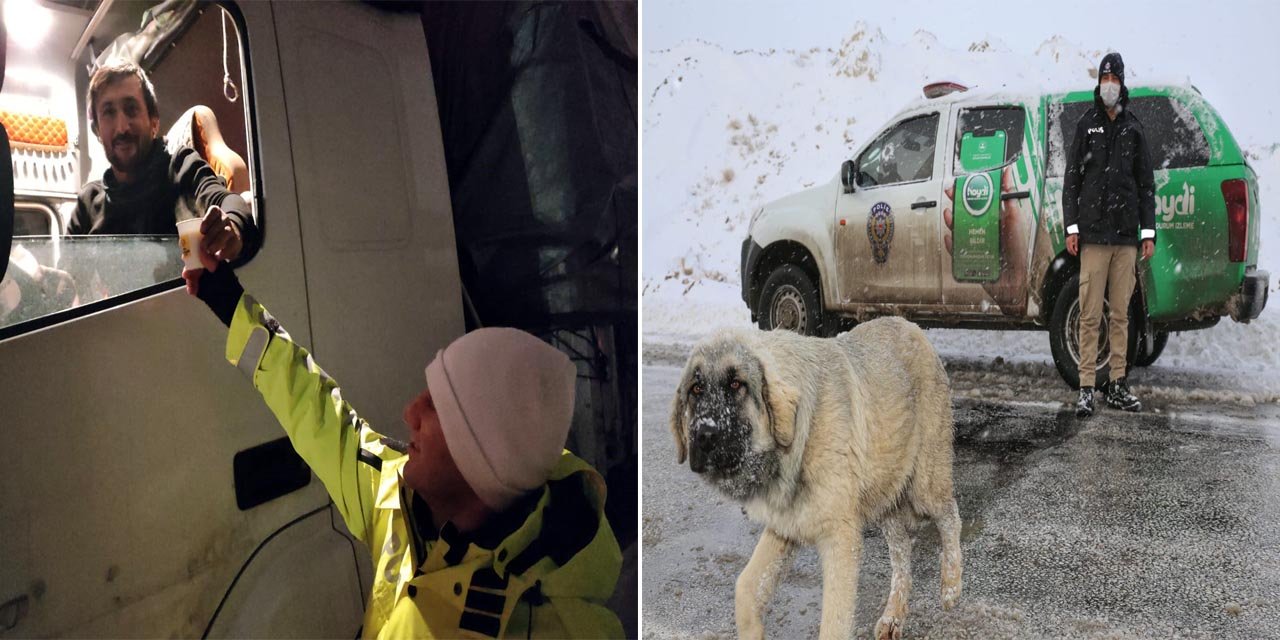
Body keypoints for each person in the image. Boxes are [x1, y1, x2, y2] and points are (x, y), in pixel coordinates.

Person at [181, 251, 623, 638]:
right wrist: (229, 301)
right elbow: (317, 414)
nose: (409, 412)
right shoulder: (398, 499)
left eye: (435, 407)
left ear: (479, 459)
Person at [69, 60, 257, 266]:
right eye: (109, 113)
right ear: (97, 130)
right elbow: (67, 278)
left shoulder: (181, 166)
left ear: (154, 122)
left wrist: (233, 225)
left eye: (131, 109)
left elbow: (226, 200)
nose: (122, 127)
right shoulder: (87, 204)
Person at [1063, 52, 1156, 417]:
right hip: (1093, 239)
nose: (1109, 86)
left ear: (1122, 83)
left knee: (1120, 315)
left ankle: (1117, 383)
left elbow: (1146, 184)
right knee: (1089, 314)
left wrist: (1146, 233)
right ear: (1099, 84)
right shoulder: (1087, 125)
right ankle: (1086, 387)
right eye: (1104, 80)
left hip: (1125, 241)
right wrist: (1072, 227)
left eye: (1114, 80)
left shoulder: (1134, 128)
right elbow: (1072, 181)